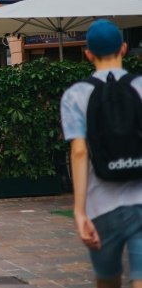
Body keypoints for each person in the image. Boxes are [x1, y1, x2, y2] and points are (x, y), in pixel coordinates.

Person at [60, 19, 142, 287]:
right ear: (124, 47)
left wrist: (80, 210)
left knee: (107, 280)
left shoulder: (75, 95)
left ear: (88, 54)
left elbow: (80, 151)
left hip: (101, 205)